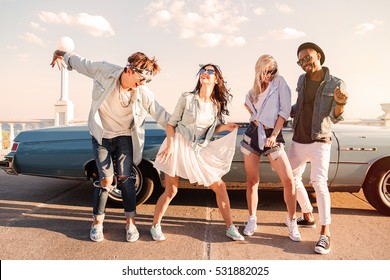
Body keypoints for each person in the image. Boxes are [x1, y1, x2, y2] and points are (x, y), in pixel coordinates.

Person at [50, 50, 170, 242]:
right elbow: (81, 62)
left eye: (147, 81)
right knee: (106, 181)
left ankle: (130, 224)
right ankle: (97, 224)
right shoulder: (104, 71)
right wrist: (61, 54)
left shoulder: (142, 92)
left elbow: (161, 114)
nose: (143, 84)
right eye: (141, 79)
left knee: (126, 179)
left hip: (124, 137)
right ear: (130, 70)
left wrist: (185, 130)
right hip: (101, 135)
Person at [150, 63, 244, 242]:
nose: (205, 74)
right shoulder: (187, 98)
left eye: (210, 72)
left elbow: (212, 128)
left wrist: (226, 127)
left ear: (216, 80)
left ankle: (230, 227)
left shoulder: (216, 105)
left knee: (220, 186)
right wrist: (170, 146)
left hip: (197, 149)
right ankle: (155, 226)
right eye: (203, 71)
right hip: (177, 145)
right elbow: (171, 124)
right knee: (171, 190)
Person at [289, 42, 348, 254]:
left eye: (308, 58)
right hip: (298, 139)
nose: (305, 63)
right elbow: (300, 106)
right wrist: (279, 111)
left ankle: (325, 233)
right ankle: (307, 214)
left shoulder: (336, 83)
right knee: (291, 179)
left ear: (319, 56)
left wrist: (340, 104)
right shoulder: (301, 80)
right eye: (301, 60)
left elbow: (335, 116)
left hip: (319, 140)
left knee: (318, 183)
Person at [240, 55, 301, 242]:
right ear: (259, 69)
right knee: (252, 181)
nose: (270, 74)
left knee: (289, 180)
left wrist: (274, 135)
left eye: (273, 71)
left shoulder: (279, 83)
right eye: (266, 71)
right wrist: (254, 115)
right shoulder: (252, 92)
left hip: (272, 135)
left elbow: (284, 112)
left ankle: (292, 221)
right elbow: (250, 109)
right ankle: (252, 219)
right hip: (252, 134)